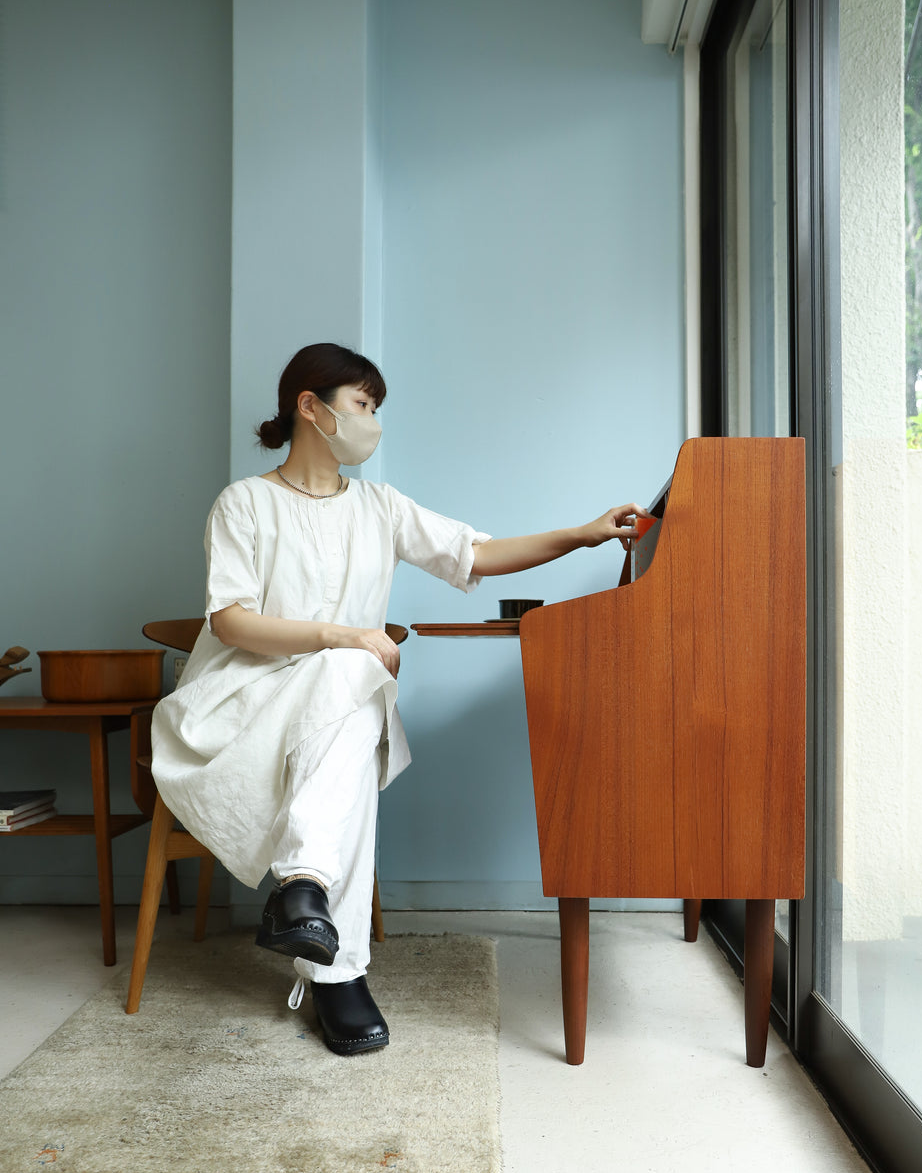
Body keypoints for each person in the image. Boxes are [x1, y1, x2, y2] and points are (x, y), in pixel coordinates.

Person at [151, 342, 645, 1057]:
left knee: (352, 690)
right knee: (358, 677)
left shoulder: (379, 507)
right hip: (242, 707)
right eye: (362, 404)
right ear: (310, 408)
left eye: (376, 408)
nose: (373, 421)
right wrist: (340, 634)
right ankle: (336, 972)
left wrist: (581, 534)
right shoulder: (245, 503)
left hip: (334, 710)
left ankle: (304, 891)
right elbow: (229, 621)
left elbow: (474, 554)